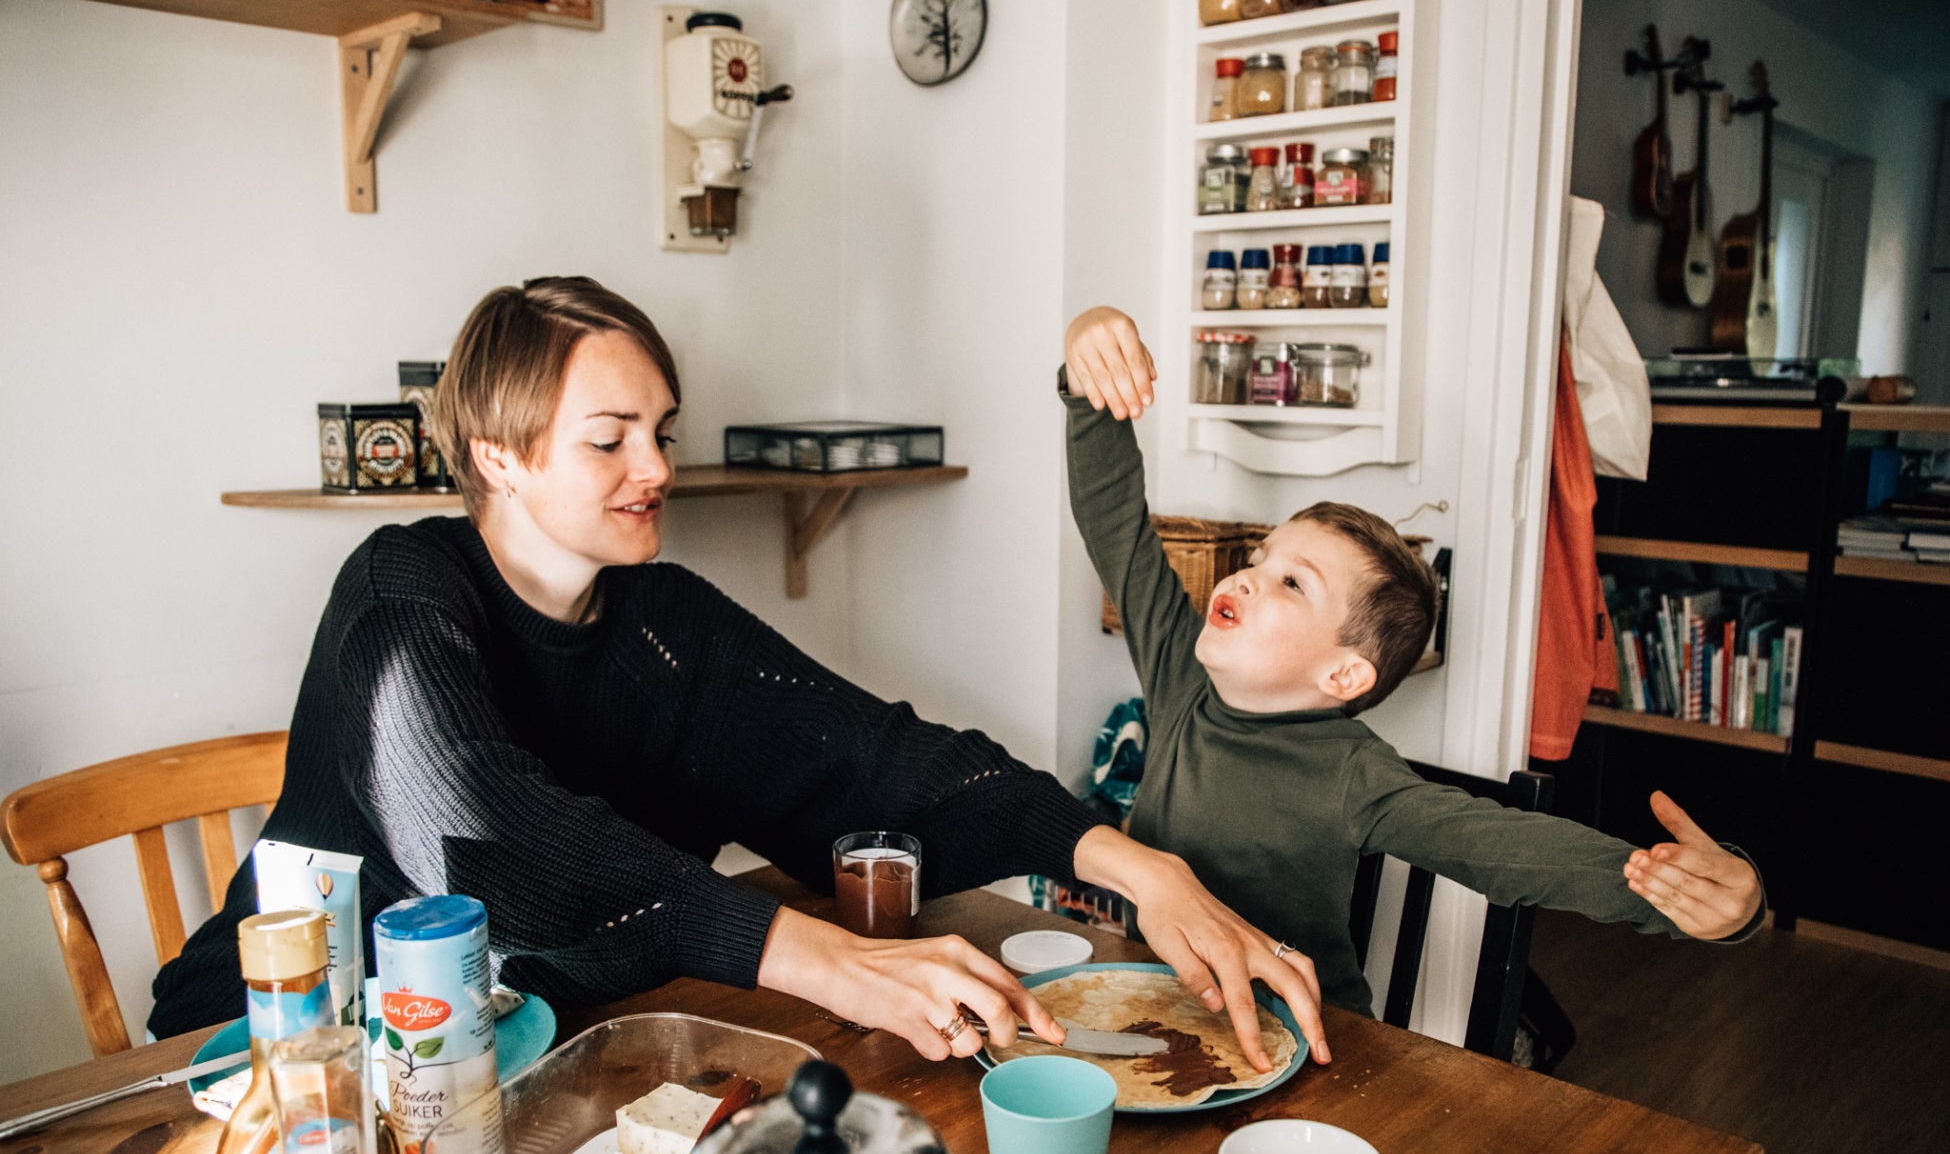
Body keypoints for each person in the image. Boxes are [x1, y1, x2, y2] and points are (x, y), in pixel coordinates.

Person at [150, 278, 1329, 1071]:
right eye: (609, 438)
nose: (655, 466)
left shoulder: (666, 622)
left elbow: (881, 758)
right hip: (279, 1055)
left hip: (542, 1042)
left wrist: (1134, 862)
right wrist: (829, 960)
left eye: (662, 429)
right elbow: (494, 840)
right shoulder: (400, 593)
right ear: (497, 454)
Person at [1058, 305, 1766, 1016]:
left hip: (1302, 1034)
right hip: (1160, 1008)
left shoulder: (1357, 776)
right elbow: (1116, 525)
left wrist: (1696, 900)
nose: (1246, 577)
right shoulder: (1183, 681)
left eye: (1292, 583)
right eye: (1258, 559)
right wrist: (1092, 370)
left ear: (1342, 675)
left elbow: (1512, 851)